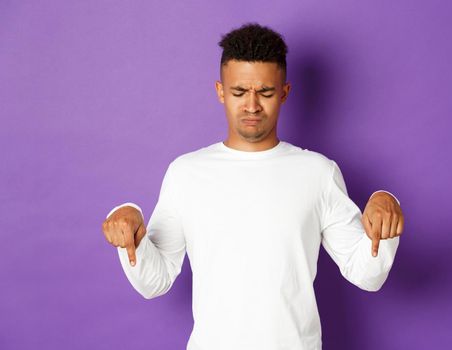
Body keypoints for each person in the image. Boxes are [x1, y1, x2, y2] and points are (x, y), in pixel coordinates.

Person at [101, 22, 404, 350]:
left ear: (285, 93)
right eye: (239, 92)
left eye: (266, 92)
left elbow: (367, 274)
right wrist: (129, 225)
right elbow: (153, 281)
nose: (252, 106)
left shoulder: (317, 173)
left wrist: (384, 204)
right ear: (220, 91)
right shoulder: (186, 174)